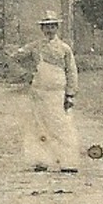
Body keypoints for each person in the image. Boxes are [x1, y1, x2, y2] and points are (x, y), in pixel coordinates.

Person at [16, 11, 80, 173]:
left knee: (61, 125)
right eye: (46, 27)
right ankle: (41, 160)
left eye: (52, 26)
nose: (49, 30)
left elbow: (71, 72)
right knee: (39, 125)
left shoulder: (65, 49)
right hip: (39, 93)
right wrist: (31, 71)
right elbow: (17, 56)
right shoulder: (36, 47)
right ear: (42, 29)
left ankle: (67, 161)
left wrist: (70, 94)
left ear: (57, 28)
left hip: (58, 93)